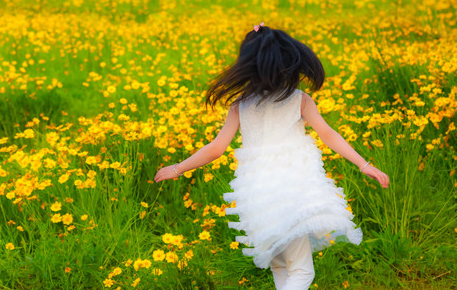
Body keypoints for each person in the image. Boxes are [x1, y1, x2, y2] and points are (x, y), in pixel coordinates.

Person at [153, 23, 390, 290]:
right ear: (288, 62)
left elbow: (216, 148)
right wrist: (363, 163)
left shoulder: (241, 105)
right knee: (301, 272)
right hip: (293, 190)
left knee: (281, 266)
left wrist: (177, 168)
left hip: (257, 195)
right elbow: (328, 134)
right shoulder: (299, 99)